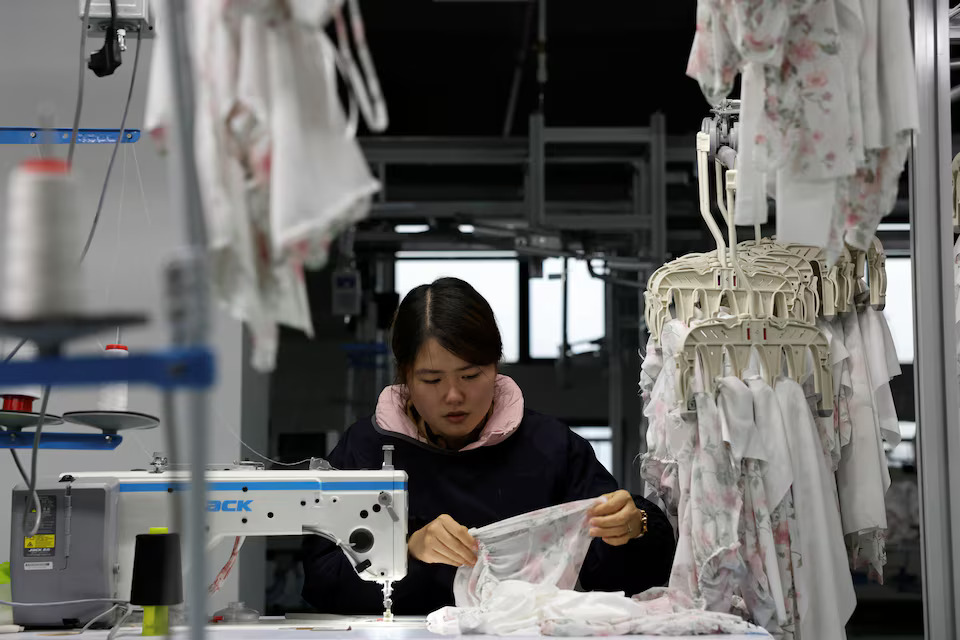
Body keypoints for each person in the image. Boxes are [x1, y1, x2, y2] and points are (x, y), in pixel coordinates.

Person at [301, 277, 675, 614]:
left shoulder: (550, 449)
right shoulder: (365, 450)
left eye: (470, 375)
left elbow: (622, 579)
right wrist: (406, 550)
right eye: (431, 379)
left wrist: (635, 526)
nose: (453, 395)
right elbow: (321, 582)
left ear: (496, 367)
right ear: (405, 377)